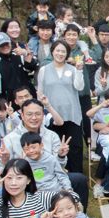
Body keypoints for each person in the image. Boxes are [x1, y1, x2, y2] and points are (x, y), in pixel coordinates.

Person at [0, 99, 88, 204]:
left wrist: (61, 156)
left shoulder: (51, 135)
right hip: (26, 183)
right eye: (29, 114)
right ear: (22, 115)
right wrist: (4, 161)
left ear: (43, 116)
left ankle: (76, 213)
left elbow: (58, 166)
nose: (34, 118)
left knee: (79, 179)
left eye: (38, 114)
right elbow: (1, 171)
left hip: (50, 178)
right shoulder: (10, 138)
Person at [38, 40, 85, 173]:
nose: (60, 53)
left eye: (63, 51)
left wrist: (79, 71)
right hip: (52, 116)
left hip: (72, 115)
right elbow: (40, 93)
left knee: (74, 149)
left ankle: (76, 178)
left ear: (67, 54)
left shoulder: (73, 69)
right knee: (54, 149)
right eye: (57, 50)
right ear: (52, 51)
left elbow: (79, 87)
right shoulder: (44, 70)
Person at [0, 31, 37, 102]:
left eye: (6, 44)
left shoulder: (19, 53)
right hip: (11, 101)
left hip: (28, 96)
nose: (5, 47)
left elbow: (32, 68)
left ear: (10, 42)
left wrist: (26, 54)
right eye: (1, 45)